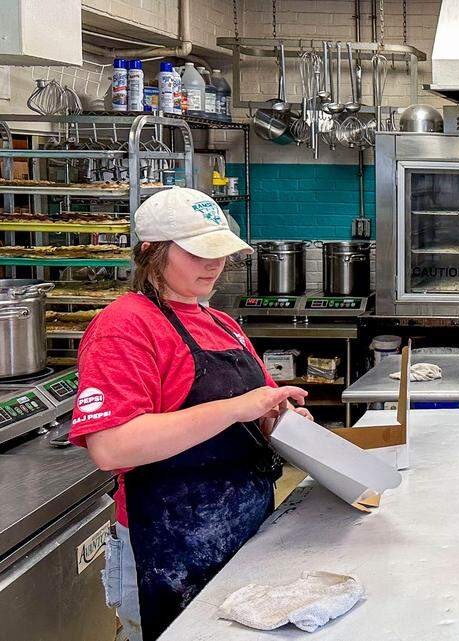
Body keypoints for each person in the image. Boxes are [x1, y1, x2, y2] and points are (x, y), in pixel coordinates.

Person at [69, 187, 310, 641]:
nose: (214, 265)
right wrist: (239, 406)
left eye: (219, 252)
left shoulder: (222, 323)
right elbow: (112, 446)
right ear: (151, 252)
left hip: (243, 528)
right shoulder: (124, 328)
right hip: (166, 543)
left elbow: (253, 416)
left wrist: (279, 421)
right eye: (198, 252)